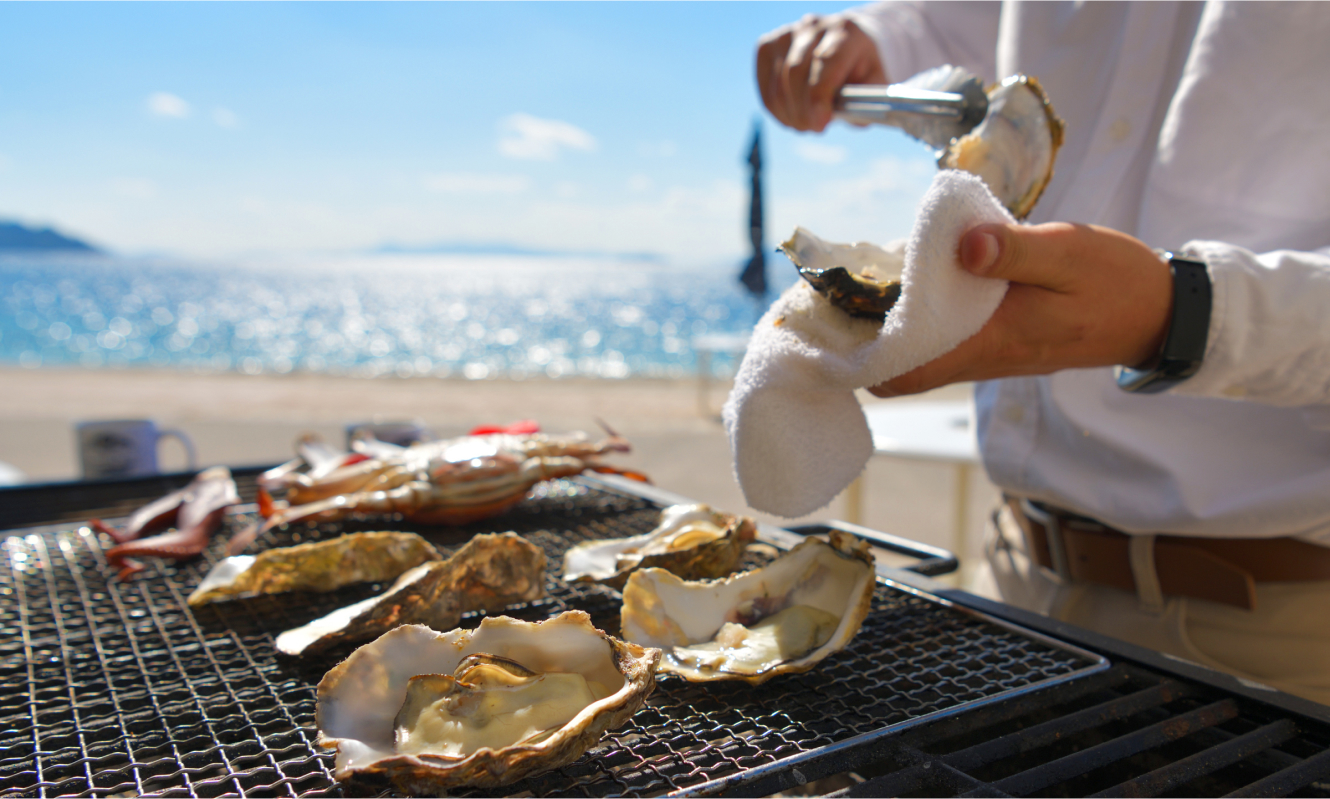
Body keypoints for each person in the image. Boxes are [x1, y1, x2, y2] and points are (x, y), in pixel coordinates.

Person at [755, 1, 1330, 705]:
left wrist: (1183, 313)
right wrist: (881, 38)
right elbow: (960, 22)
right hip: (1011, 572)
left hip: (1278, 628)